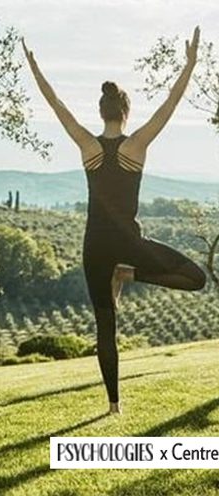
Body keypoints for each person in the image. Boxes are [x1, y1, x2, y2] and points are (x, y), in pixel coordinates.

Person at [22, 27, 206, 414]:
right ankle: (130, 274)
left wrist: (34, 67)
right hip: (129, 245)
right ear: (125, 112)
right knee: (196, 279)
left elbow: (55, 104)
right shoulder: (136, 146)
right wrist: (189, 64)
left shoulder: (87, 146)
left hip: (95, 246)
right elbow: (170, 104)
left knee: (106, 327)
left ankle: (113, 407)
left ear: (101, 112)